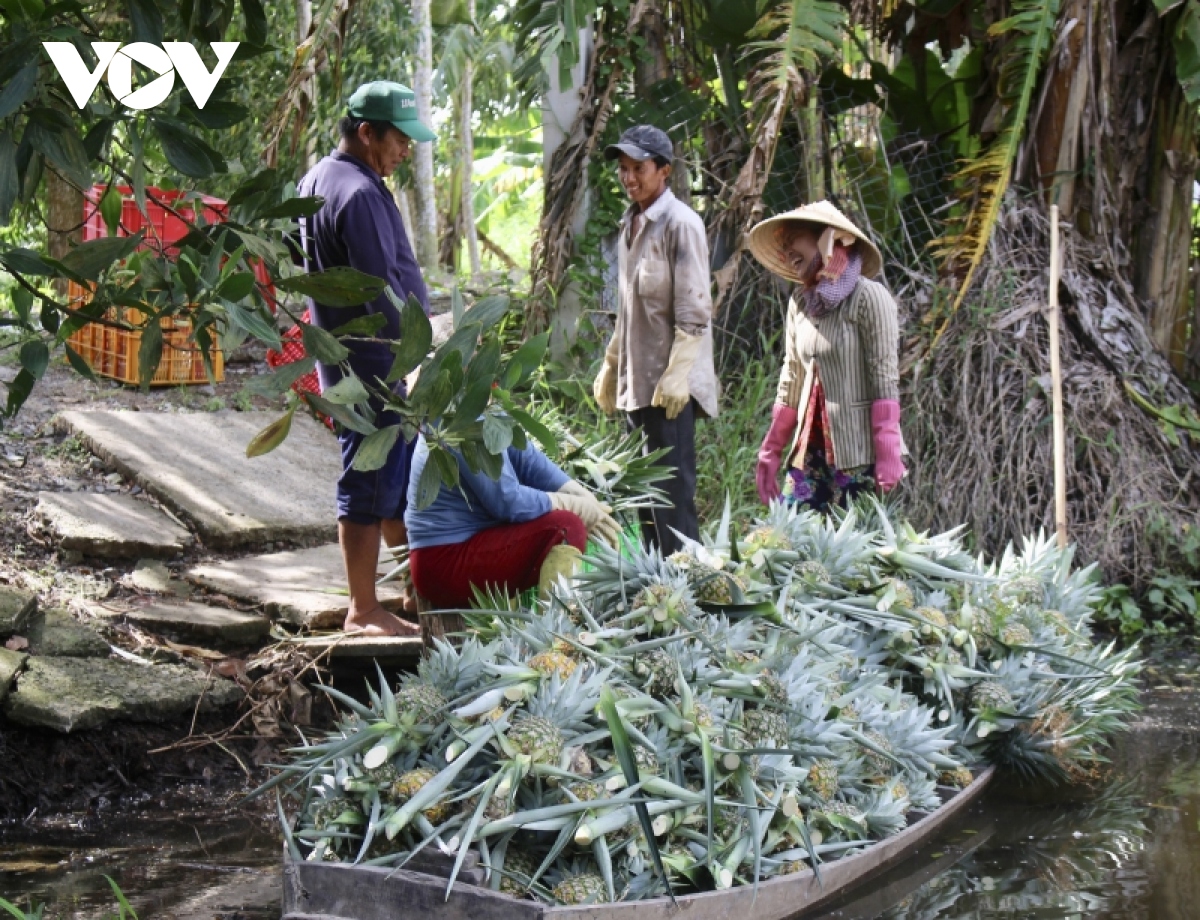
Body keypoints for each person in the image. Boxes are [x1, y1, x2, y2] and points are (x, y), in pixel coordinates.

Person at [296, 81, 437, 637]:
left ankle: (411, 591)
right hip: (374, 364)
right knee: (367, 479)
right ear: (366, 133)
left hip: (345, 356)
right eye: (399, 139)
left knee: (390, 484)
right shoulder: (358, 194)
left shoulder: (319, 180)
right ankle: (364, 608)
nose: (407, 150)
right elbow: (383, 289)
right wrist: (416, 356)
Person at [592, 125, 719, 556]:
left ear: (663, 171)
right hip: (637, 380)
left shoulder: (681, 224)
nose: (629, 178)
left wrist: (678, 373)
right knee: (643, 494)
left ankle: (687, 592)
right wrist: (611, 364)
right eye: (623, 169)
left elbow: (694, 308)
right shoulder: (631, 222)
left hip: (669, 387)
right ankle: (654, 590)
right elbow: (630, 308)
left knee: (672, 495)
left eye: (638, 168)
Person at [748, 200, 907, 512]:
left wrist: (888, 449)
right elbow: (792, 374)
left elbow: (883, 375)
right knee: (797, 545)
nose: (787, 252)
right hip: (810, 452)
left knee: (859, 553)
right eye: (782, 245)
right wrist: (771, 450)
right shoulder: (800, 302)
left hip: (858, 455)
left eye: (794, 239)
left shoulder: (868, 297)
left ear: (827, 238)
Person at [405, 435, 621, 609]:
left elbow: (529, 462)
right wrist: (573, 506)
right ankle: (558, 636)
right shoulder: (462, 422)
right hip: (443, 563)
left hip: (460, 550)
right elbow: (507, 501)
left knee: (562, 520)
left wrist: (581, 495)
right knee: (565, 527)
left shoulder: (485, 410)